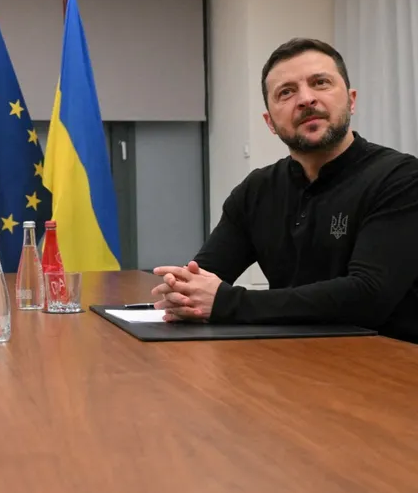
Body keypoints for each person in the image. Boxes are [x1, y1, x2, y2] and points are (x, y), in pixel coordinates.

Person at [151, 38, 418, 342]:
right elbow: (202, 279)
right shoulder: (256, 190)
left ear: (351, 100)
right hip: (288, 356)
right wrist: (182, 292)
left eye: (320, 83)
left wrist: (228, 302)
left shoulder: (401, 178)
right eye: (286, 92)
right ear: (270, 122)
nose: (306, 99)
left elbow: (369, 296)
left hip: (386, 360)